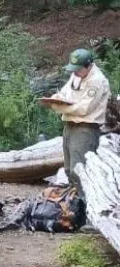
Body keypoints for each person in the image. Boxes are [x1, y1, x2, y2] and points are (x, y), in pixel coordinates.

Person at [41, 48, 110, 195]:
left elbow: (84, 108)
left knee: (79, 170)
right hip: (69, 126)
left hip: (85, 128)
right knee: (68, 169)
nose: (75, 72)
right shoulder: (77, 76)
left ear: (88, 66)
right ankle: (74, 203)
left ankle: (86, 204)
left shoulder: (97, 81)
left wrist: (58, 108)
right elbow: (65, 93)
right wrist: (55, 98)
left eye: (78, 69)